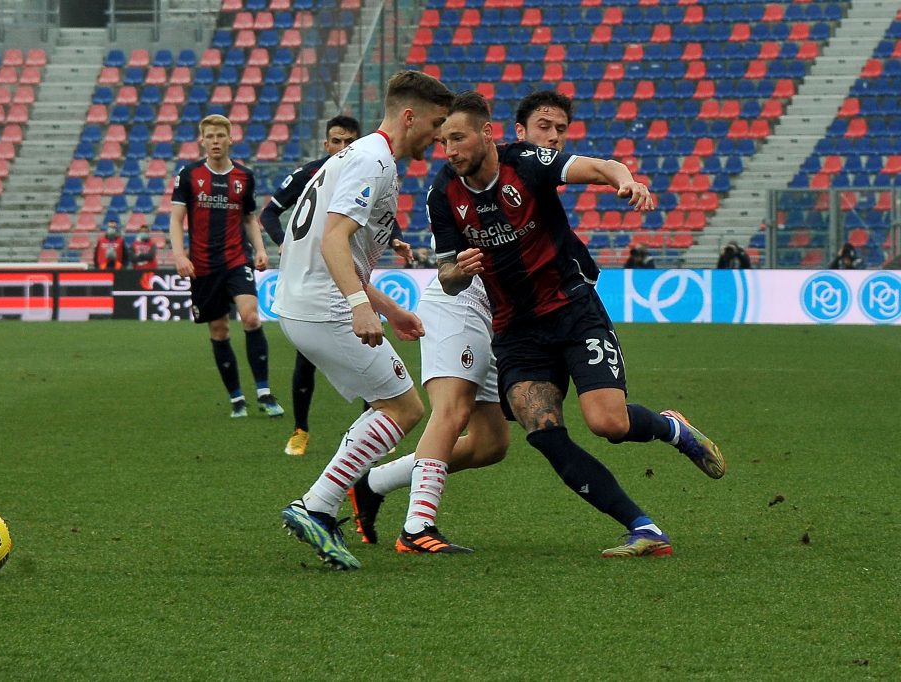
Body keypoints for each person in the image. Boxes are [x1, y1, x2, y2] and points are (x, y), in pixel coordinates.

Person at [428, 92, 726, 558]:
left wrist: (627, 182)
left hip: (571, 309)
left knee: (608, 423)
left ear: (487, 133)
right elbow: (446, 276)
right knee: (544, 432)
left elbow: (601, 167)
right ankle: (643, 528)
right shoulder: (443, 192)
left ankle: (672, 428)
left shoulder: (526, 163)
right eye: (444, 141)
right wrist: (458, 272)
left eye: (458, 138)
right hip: (515, 328)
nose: (449, 150)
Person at [347, 89, 576, 554]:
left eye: (560, 130)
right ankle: (417, 528)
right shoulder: (463, 177)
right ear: (514, 133)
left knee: (491, 444)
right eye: (543, 128)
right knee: (450, 412)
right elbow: (450, 269)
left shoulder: (533, 176)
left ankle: (373, 483)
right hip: (461, 302)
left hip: (500, 317)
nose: (552, 137)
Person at [274, 70, 454, 570]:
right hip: (324, 306)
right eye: (436, 124)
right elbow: (333, 241)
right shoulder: (373, 160)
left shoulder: (361, 156)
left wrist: (388, 308)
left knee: (391, 403)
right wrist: (358, 305)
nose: (438, 136)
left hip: (308, 300)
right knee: (404, 408)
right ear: (409, 116)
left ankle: (320, 506)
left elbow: (335, 248)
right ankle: (317, 506)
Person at [259, 115, 412, 457]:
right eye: (337, 141)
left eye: (348, 141)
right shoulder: (315, 172)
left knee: (374, 362)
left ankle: (368, 434)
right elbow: (269, 214)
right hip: (319, 285)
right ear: (326, 143)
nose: (342, 146)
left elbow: (378, 214)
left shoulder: (361, 167)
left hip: (341, 279)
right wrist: (285, 244)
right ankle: (301, 430)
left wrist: (396, 240)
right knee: (313, 363)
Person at [169, 113, 284, 419]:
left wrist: (260, 249)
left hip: (236, 258)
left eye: (221, 136)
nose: (216, 141)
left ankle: (264, 392)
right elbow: (176, 219)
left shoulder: (244, 177)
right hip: (203, 265)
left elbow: (249, 218)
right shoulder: (189, 175)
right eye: (210, 137)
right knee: (219, 330)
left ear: (230, 139)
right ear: (202, 141)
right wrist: (179, 255)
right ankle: (237, 399)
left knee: (251, 317)